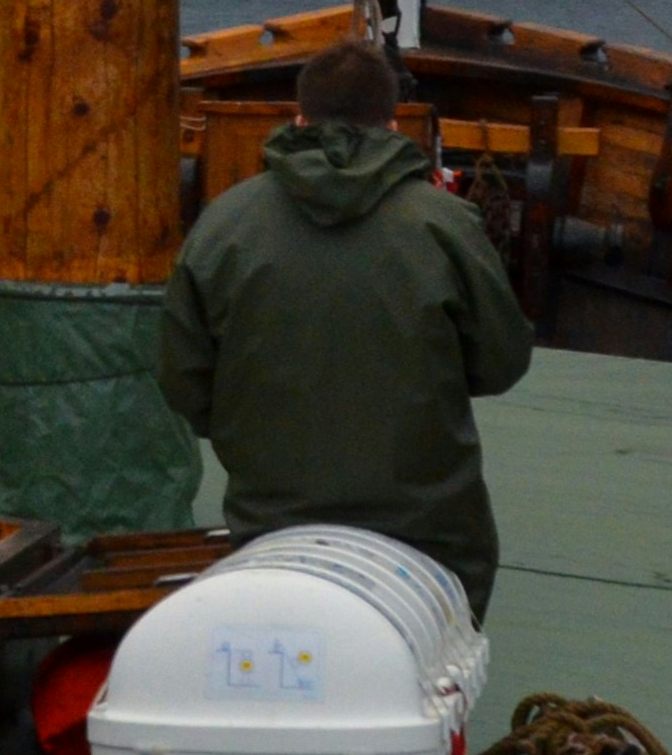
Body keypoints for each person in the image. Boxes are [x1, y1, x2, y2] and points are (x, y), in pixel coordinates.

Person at [155, 31, 535, 610]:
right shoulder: (446, 224)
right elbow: (503, 361)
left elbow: (184, 382)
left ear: (300, 117)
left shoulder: (223, 224)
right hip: (429, 528)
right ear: (391, 123)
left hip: (271, 519)